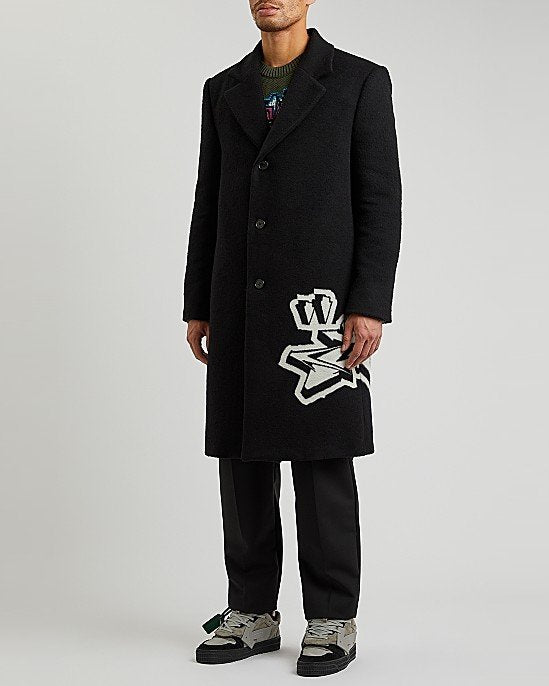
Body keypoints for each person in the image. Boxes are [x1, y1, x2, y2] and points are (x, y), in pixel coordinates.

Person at [183, 0, 401, 677]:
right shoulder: (223, 89)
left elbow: (380, 199)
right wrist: (198, 302)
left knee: (323, 459)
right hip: (238, 301)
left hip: (320, 308)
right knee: (241, 460)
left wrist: (369, 304)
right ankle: (251, 610)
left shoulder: (359, 81)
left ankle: (332, 615)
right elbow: (209, 197)